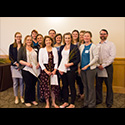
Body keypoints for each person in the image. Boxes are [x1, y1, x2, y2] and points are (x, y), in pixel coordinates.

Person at [58, 32, 80, 108]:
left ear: (71, 39)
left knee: (72, 86)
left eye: (68, 38)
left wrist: (70, 64)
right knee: (64, 86)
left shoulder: (74, 47)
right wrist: (59, 69)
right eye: (66, 38)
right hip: (63, 70)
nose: (67, 39)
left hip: (71, 69)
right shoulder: (61, 47)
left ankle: (72, 103)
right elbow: (60, 59)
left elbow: (77, 59)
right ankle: (66, 102)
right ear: (64, 39)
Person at [18, 35, 40, 107]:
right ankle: (27, 100)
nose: (29, 41)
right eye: (27, 40)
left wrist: (38, 64)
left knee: (33, 85)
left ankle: (33, 99)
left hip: (35, 70)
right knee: (28, 85)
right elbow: (19, 60)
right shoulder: (22, 49)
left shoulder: (35, 48)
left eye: (30, 40)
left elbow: (38, 58)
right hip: (26, 69)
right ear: (25, 41)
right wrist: (26, 63)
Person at [96, 29, 116, 108]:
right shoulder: (97, 45)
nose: (102, 35)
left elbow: (112, 57)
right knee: (98, 85)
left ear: (107, 35)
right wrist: (98, 65)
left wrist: (103, 65)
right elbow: (95, 57)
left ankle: (109, 102)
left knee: (108, 85)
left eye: (104, 34)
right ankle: (99, 99)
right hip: (98, 67)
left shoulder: (111, 44)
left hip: (107, 67)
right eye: (101, 34)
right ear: (99, 35)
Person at [78, 31, 99, 108]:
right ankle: (86, 103)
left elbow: (96, 58)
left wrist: (88, 65)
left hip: (90, 69)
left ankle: (92, 104)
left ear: (90, 37)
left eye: (87, 36)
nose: (86, 37)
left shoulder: (94, 46)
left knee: (90, 87)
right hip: (83, 69)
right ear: (83, 38)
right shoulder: (81, 46)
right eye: (85, 36)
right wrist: (79, 67)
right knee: (85, 86)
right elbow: (80, 58)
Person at [39, 35, 59, 108]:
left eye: (49, 40)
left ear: (51, 41)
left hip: (53, 69)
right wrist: (46, 71)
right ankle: (47, 103)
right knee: (46, 87)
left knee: (53, 87)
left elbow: (57, 61)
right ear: (45, 42)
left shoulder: (55, 49)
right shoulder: (42, 50)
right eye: (47, 40)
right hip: (45, 70)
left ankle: (53, 102)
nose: (48, 41)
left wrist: (54, 70)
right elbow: (40, 62)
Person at [9, 32, 24, 104]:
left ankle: (21, 96)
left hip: (21, 67)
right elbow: (10, 57)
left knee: (21, 83)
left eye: (20, 37)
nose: (18, 38)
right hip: (14, 66)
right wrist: (15, 63)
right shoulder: (11, 46)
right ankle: (16, 97)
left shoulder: (23, 46)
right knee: (15, 83)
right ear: (15, 37)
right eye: (17, 37)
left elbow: (24, 57)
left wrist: (20, 65)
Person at [72, 30, 84, 101]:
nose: (75, 35)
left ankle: (81, 94)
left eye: (76, 34)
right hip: (72, 65)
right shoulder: (69, 43)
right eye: (73, 34)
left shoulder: (80, 44)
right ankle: (75, 93)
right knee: (73, 80)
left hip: (79, 64)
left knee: (80, 80)